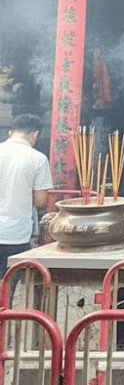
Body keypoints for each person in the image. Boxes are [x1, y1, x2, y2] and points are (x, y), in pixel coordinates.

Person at [0, 114, 53, 274]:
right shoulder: (38, 159)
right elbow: (40, 201)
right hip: (15, 235)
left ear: (10, 132)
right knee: (7, 284)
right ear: (35, 134)